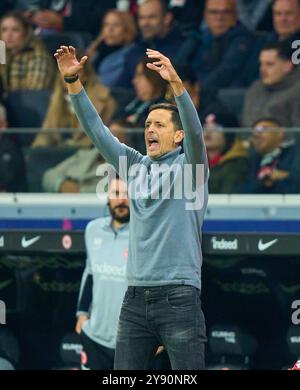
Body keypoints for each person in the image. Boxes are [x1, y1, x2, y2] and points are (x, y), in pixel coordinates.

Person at [54, 45, 208, 370]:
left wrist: (177, 85)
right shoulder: (135, 167)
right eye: (148, 124)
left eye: (160, 125)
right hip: (135, 297)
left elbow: (196, 131)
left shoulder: (191, 168)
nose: (149, 129)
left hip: (178, 296)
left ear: (178, 136)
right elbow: (97, 132)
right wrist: (73, 83)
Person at [75, 177, 130, 370]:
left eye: (127, 194)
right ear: (107, 197)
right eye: (116, 193)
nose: (121, 200)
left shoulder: (146, 235)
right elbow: (89, 273)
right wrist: (81, 315)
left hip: (132, 343)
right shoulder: (93, 230)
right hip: (95, 338)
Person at [114, 0, 186, 89]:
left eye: (151, 17)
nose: (145, 23)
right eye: (141, 18)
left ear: (167, 18)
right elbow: (121, 89)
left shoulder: (184, 49)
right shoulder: (134, 52)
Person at [242, 42, 300, 128]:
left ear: (288, 66)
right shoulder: (255, 88)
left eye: (269, 64)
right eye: (261, 64)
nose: (262, 69)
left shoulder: (297, 91)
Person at [243, 118, 300, 194]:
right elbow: (240, 190)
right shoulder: (250, 159)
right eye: (254, 133)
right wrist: (264, 182)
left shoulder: (295, 154)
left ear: (280, 133)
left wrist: (284, 178)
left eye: (262, 130)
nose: (256, 135)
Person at [86, 10, 137, 88]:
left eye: (116, 25)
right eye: (106, 24)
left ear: (127, 29)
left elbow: (105, 84)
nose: (110, 30)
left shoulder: (131, 54)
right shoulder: (97, 49)